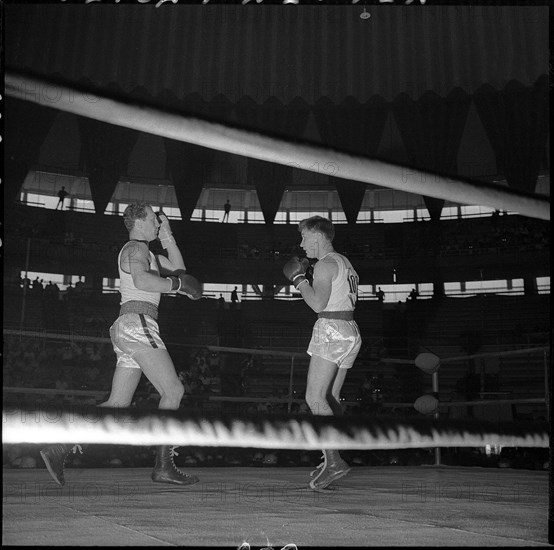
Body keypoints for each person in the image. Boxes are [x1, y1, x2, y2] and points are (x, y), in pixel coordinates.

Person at [39, 202, 203, 487]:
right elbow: (143, 280)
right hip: (138, 322)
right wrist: (176, 287)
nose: (157, 222)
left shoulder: (148, 252)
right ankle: (163, 466)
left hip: (129, 326)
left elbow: (179, 270)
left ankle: (60, 445)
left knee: (118, 403)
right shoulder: (136, 248)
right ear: (139, 222)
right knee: (174, 390)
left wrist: (167, 234)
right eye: (153, 219)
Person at [283, 216, 361, 491]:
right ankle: (331, 457)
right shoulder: (344, 261)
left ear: (318, 236)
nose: (302, 244)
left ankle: (335, 461)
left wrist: (299, 279)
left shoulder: (325, 265)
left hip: (332, 329)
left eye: (304, 237)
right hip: (350, 330)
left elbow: (317, 304)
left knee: (313, 397)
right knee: (331, 398)